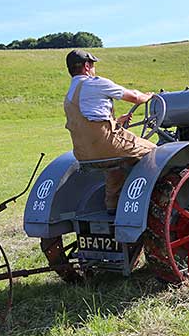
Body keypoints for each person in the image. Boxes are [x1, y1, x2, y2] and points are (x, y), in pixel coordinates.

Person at [63, 49, 156, 213]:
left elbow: (89, 120)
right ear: (86, 66)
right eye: (92, 65)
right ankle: (154, 202)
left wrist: (115, 122)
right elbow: (134, 97)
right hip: (108, 146)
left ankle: (112, 205)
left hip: (84, 154)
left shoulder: (70, 94)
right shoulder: (95, 83)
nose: (93, 69)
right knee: (157, 152)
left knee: (116, 165)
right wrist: (147, 97)